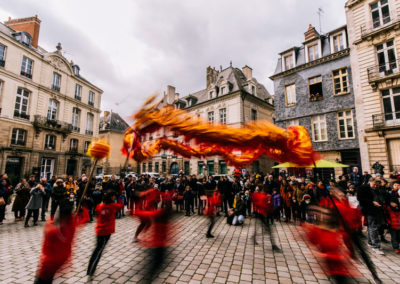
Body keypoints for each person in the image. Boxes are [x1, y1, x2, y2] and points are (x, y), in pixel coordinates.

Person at [87, 190, 123, 278]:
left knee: (97, 249)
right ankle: (92, 268)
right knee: (100, 250)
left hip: (99, 230)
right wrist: (119, 198)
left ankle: (89, 267)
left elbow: (96, 214)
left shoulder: (99, 206)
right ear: (111, 197)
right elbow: (121, 205)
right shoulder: (113, 206)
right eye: (114, 196)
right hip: (107, 231)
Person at [357, 178, 385, 255]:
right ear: (370, 182)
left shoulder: (377, 189)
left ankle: (370, 242)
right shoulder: (363, 188)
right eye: (374, 184)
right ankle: (376, 247)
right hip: (369, 210)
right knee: (373, 228)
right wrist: (372, 202)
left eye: (377, 185)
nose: (375, 186)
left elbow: (380, 198)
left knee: (372, 227)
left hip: (378, 210)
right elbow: (360, 199)